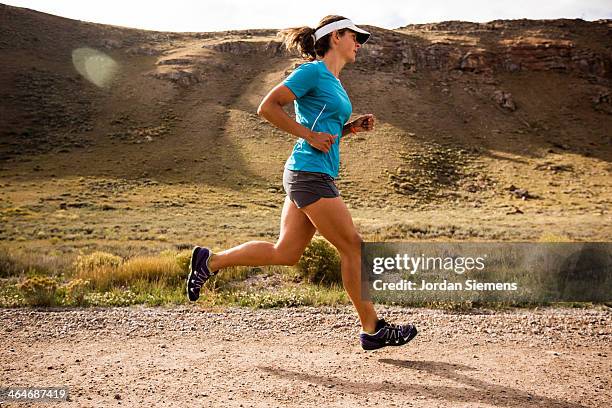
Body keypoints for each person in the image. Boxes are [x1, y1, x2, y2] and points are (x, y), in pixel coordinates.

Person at [187, 15, 417, 350]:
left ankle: (210, 261)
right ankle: (372, 328)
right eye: (355, 37)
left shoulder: (334, 82)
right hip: (309, 174)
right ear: (335, 37)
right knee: (353, 246)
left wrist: (350, 129)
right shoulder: (313, 71)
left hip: (309, 172)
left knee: (286, 252)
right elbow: (268, 107)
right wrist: (309, 135)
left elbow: (323, 128)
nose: (359, 44)